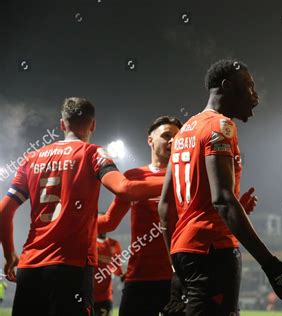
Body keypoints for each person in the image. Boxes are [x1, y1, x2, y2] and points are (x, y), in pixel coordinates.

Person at [158, 59, 282, 316]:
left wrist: (177, 262)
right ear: (227, 86)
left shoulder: (183, 133)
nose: (255, 95)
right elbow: (223, 201)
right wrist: (271, 266)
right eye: (248, 86)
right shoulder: (221, 126)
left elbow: (165, 207)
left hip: (185, 250)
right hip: (213, 250)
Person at [0, 97, 165, 316]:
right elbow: (125, 189)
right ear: (93, 125)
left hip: (30, 267)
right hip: (71, 267)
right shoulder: (93, 153)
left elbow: (4, 211)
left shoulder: (31, 159)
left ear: (62, 124)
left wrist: (10, 253)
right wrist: (179, 177)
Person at [97, 116, 183, 316]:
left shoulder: (188, 173)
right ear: (150, 140)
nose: (172, 141)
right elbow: (109, 221)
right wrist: (74, 221)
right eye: (166, 136)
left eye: (177, 137)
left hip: (179, 275)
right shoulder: (134, 176)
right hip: (141, 276)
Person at [93, 231, 124, 316]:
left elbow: (117, 268)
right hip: (90, 295)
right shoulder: (91, 244)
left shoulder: (114, 244)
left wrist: (123, 275)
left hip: (106, 295)